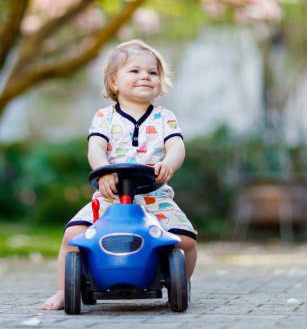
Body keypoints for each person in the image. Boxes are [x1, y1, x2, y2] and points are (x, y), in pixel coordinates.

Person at [41, 39, 197, 310]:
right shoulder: (104, 118)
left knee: (186, 240)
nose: (145, 77)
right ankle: (64, 291)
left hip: (154, 198)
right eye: (135, 71)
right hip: (111, 199)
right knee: (72, 236)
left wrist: (169, 164)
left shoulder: (164, 117)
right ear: (114, 82)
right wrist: (102, 171)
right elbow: (96, 147)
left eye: (152, 72)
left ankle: (180, 284)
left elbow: (176, 146)